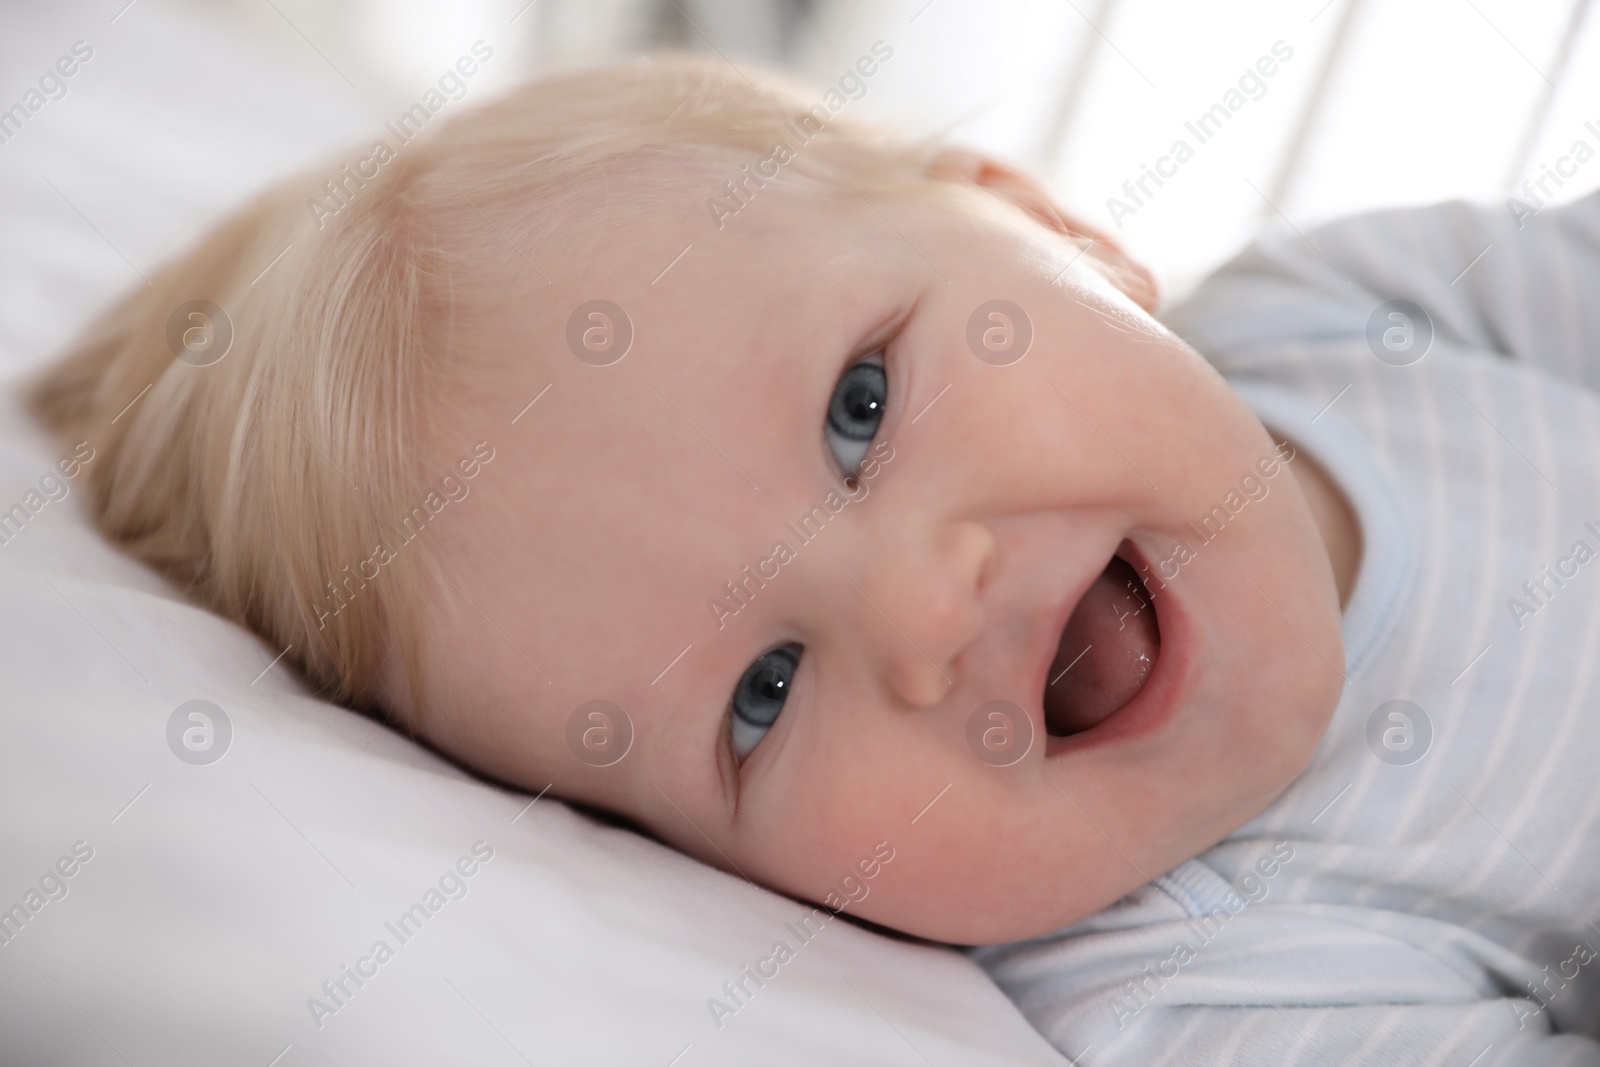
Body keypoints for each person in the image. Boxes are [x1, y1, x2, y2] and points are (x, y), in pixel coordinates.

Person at [28, 52, 1600, 1062]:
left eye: (865, 406)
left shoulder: (1349, 318)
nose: (923, 610)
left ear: (1052, 227)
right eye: (762, 697)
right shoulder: (1198, 994)